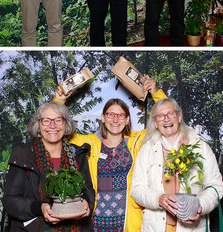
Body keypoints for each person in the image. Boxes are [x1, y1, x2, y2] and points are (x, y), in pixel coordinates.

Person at [55, 76, 167, 232]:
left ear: (127, 119)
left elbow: (165, 122)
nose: (115, 120)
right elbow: (57, 132)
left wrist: (155, 92)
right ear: (103, 118)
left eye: (121, 115)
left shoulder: (138, 141)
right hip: (95, 223)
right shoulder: (91, 143)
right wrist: (58, 100)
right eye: (110, 115)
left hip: (129, 223)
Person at [131, 98, 223, 231]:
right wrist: (158, 199)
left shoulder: (200, 147)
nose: (166, 119)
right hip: (155, 227)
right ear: (155, 123)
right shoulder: (146, 150)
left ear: (179, 117)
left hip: (191, 227)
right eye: (160, 116)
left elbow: (216, 186)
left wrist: (200, 205)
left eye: (171, 113)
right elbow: (137, 189)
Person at [2, 101, 95, 231]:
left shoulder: (77, 154)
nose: (52, 126)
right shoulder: (24, 155)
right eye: (46, 120)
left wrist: (87, 204)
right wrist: (38, 208)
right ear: (38, 125)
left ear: (65, 124)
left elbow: (88, 190)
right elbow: (10, 200)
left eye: (58, 120)